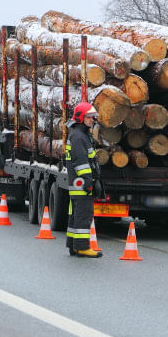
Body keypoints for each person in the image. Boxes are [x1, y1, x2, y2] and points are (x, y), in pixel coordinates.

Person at [65, 102, 102, 258]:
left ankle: (73, 245)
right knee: (84, 214)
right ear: (80, 118)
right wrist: (88, 181)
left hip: (77, 182)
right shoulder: (79, 137)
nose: (91, 120)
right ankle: (82, 247)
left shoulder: (78, 135)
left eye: (92, 117)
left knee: (76, 214)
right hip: (81, 183)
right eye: (89, 117)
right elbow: (81, 162)